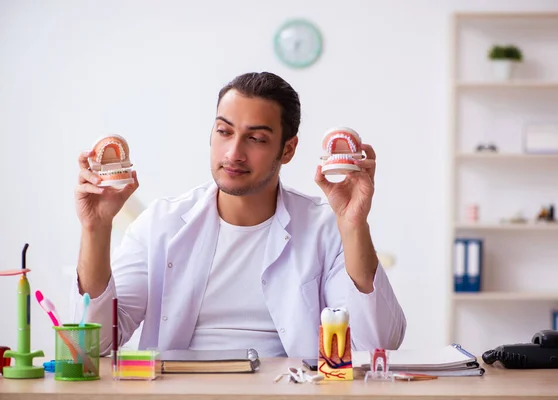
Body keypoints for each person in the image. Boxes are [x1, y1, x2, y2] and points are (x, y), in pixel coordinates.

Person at [70, 71, 407, 358]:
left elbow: (374, 345)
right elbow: (91, 346)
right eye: (224, 131)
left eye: (256, 138)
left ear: (287, 149)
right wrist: (96, 229)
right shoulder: (161, 223)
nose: (234, 153)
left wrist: (353, 225)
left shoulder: (325, 227)